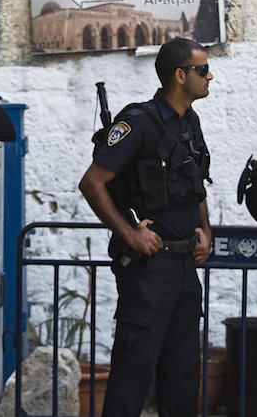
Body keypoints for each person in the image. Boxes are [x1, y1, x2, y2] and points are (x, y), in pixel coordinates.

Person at [78, 37, 213, 417]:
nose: (210, 76)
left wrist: (206, 231)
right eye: (203, 70)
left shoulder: (191, 122)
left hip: (185, 267)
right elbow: (92, 182)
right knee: (133, 372)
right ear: (180, 75)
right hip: (149, 271)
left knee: (183, 374)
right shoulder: (137, 123)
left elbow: (196, 183)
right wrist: (130, 233)